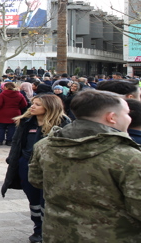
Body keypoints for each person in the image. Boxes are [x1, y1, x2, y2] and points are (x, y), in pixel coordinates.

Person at [28, 90, 141, 242]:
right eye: (126, 113)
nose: (128, 118)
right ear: (111, 117)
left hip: (58, 234)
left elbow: (36, 181)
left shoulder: (45, 145)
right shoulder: (129, 157)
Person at [1, 95, 69, 243]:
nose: (32, 107)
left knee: (47, 200)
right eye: (33, 104)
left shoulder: (64, 124)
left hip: (50, 168)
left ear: (49, 107)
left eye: (37, 105)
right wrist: (14, 160)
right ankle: (38, 229)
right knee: (34, 200)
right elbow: (17, 142)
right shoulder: (25, 122)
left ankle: (48, 230)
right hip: (26, 165)